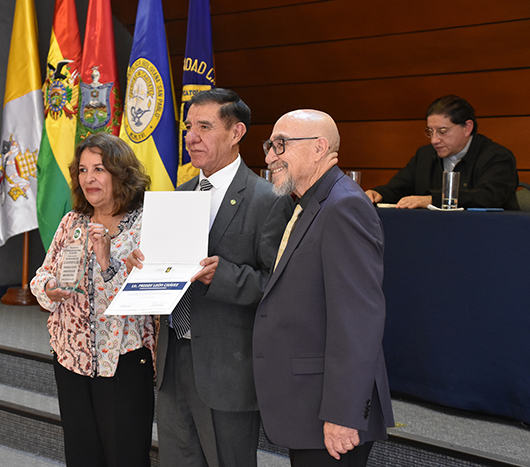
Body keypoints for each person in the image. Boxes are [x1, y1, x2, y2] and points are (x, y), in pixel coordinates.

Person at [127, 88, 293, 467]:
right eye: (188, 127)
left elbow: (278, 286)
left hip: (227, 369)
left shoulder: (268, 199)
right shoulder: (179, 195)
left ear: (236, 132)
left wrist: (223, 276)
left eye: (204, 127)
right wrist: (145, 267)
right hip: (173, 361)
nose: (191, 137)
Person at [254, 109, 395, 467]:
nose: (269, 157)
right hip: (307, 404)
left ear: (319, 147)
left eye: (281, 145)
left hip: (331, 413)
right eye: (270, 146)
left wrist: (344, 414)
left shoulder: (344, 206)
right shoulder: (312, 202)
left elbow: (358, 322)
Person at [30, 133, 155, 467]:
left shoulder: (144, 225)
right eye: (83, 170)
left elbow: (144, 298)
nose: (89, 179)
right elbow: (41, 277)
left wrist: (106, 262)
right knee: (82, 455)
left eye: (99, 169)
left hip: (123, 361)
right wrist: (49, 288)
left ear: (121, 173)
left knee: (126, 456)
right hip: (71, 358)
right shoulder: (72, 222)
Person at [364, 95, 519, 209]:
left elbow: (487, 197)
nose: (434, 140)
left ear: (467, 128)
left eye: (442, 131)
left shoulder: (497, 157)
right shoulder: (424, 155)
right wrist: (378, 194)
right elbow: (397, 188)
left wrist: (432, 199)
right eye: (430, 131)